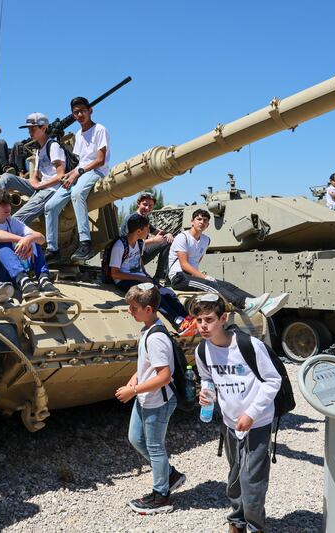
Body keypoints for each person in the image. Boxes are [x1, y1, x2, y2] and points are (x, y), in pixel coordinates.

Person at [192, 294, 281, 533]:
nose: (203, 325)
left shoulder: (248, 345)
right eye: (199, 320)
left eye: (209, 319)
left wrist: (251, 413)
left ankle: (254, 527)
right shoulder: (202, 351)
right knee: (234, 477)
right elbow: (208, 379)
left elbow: (273, 380)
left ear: (223, 318)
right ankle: (237, 522)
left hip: (257, 423)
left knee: (252, 481)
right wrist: (206, 395)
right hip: (230, 425)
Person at [115, 283, 185, 514]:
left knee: (155, 447)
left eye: (134, 308)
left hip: (158, 400)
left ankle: (161, 496)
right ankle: (169, 474)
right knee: (136, 438)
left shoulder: (155, 337)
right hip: (146, 395)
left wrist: (133, 391)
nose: (129, 311)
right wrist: (135, 379)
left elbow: (164, 376)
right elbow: (147, 365)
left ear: (148, 309)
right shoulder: (147, 328)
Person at [168, 208, 289, 317]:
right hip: (179, 277)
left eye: (205, 220)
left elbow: (196, 261)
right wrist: (204, 277)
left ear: (208, 224)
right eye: (198, 219)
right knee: (212, 285)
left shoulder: (206, 240)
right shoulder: (182, 237)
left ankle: (264, 304)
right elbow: (184, 264)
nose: (201, 222)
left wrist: (202, 277)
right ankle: (245, 304)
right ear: (192, 221)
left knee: (228, 286)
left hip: (191, 277)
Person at [44, 96, 110, 263]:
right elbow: (80, 160)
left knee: (77, 194)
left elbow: (99, 160)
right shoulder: (79, 134)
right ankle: (53, 248)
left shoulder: (100, 129)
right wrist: (71, 173)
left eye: (82, 111)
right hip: (80, 172)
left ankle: (85, 243)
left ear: (90, 111)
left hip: (97, 171)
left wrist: (77, 172)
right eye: (76, 112)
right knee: (50, 206)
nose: (80, 114)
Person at [109, 213, 193, 332]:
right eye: (147, 228)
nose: (149, 231)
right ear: (139, 231)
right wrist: (141, 279)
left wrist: (145, 275)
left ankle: (187, 319)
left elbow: (139, 260)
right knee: (155, 296)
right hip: (124, 280)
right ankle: (177, 322)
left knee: (169, 293)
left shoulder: (138, 242)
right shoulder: (120, 246)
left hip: (140, 278)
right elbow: (115, 274)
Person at [0, 191, 59, 300]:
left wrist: (29, 239)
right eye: (3, 204)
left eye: (8, 203)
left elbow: (41, 239)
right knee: (0, 242)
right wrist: (22, 239)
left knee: (33, 240)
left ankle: (43, 278)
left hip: (12, 267)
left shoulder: (11, 221)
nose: (8, 207)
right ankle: (23, 280)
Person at [0, 113, 65, 224]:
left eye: (33, 129)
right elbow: (35, 176)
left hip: (52, 190)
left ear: (43, 128)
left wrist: (40, 185)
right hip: (41, 187)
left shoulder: (53, 146)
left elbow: (61, 175)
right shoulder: (39, 149)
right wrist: (34, 183)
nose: (30, 132)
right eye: (29, 129)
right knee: (6, 178)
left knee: (17, 219)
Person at [119, 192, 174, 280]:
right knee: (166, 242)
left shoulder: (144, 219)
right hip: (127, 257)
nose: (147, 208)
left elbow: (156, 231)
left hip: (139, 255)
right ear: (138, 203)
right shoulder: (133, 219)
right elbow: (128, 243)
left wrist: (168, 233)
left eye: (150, 206)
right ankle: (159, 277)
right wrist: (153, 240)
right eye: (144, 204)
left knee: (167, 240)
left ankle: (160, 277)